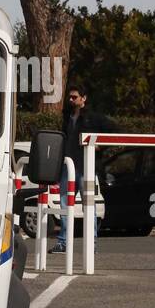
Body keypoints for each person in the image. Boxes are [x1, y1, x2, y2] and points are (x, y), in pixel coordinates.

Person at [51, 84, 114, 253]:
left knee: (89, 206)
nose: (71, 100)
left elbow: (114, 131)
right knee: (64, 206)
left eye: (74, 97)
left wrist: (101, 146)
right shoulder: (67, 116)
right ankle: (63, 242)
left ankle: (91, 244)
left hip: (86, 169)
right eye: (69, 97)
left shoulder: (94, 118)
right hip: (68, 168)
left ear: (83, 98)